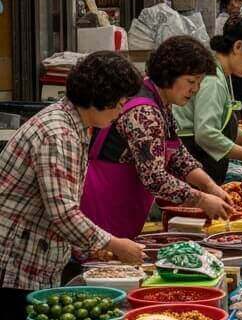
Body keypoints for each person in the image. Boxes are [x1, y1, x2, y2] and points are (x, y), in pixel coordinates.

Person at [0, 52, 147, 320]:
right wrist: (113, 244)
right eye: (119, 101)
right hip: (14, 264)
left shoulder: (73, 124)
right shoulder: (59, 134)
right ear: (100, 97)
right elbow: (64, 213)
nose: (121, 109)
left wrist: (93, 246)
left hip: (34, 258)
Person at [80, 37, 232, 238]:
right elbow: (155, 178)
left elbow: (176, 153)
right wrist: (202, 199)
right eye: (191, 81)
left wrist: (210, 186)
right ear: (170, 74)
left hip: (122, 204)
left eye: (199, 82)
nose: (195, 89)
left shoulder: (160, 100)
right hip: (105, 204)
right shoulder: (145, 111)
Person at [177, 17, 242, 182]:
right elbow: (206, 134)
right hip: (194, 164)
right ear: (238, 46)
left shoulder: (220, 73)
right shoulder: (212, 79)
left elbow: (222, 123)